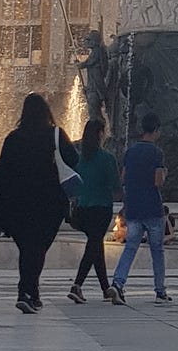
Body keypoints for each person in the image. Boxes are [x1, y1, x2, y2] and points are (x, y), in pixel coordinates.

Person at [0, 93, 79, 313]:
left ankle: (31, 292)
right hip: (48, 203)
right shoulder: (55, 134)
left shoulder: (13, 138)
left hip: (16, 204)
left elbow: (0, 171)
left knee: (27, 249)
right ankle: (26, 292)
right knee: (37, 248)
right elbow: (73, 159)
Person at [112, 114, 170, 304]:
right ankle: (160, 291)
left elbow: (123, 178)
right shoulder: (157, 153)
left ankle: (118, 283)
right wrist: (165, 174)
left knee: (130, 247)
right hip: (152, 207)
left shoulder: (130, 151)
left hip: (134, 207)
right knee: (157, 251)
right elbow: (158, 181)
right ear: (156, 130)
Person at [68, 118, 118, 304]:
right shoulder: (107, 159)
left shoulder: (79, 160)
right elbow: (115, 185)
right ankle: (77, 285)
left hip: (82, 210)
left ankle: (105, 288)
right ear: (100, 134)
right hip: (101, 208)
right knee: (93, 246)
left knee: (96, 245)